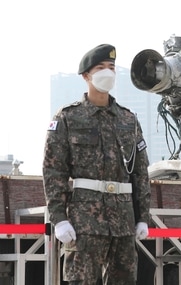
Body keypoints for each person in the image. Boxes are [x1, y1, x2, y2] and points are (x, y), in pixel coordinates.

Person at [43, 44, 151, 284]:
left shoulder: (128, 119)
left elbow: (141, 172)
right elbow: (53, 171)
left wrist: (143, 216)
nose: (108, 72)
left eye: (111, 67)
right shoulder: (68, 117)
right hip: (84, 222)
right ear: (86, 75)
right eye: (100, 67)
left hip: (123, 222)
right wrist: (59, 218)